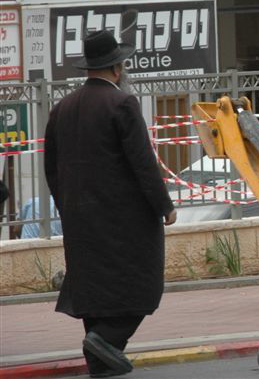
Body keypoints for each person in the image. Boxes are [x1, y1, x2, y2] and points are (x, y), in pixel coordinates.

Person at [44, 29, 177, 379]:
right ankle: (105, 341)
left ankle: (100, 360)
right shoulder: (122, 104)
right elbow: (142, 162)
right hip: (125, 218)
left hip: (79, 218)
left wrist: (67, 206)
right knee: (143, 284)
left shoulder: (62, 107)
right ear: (117, 68)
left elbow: (51, 167)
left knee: (93, 287)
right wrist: (165, 206)